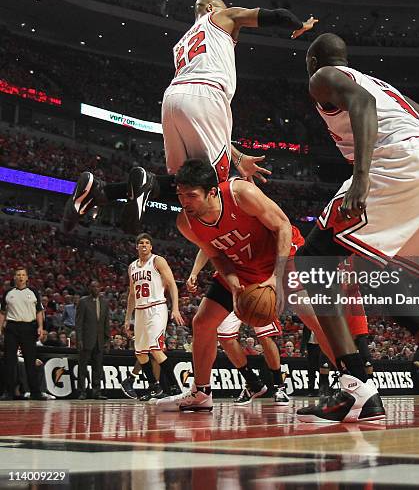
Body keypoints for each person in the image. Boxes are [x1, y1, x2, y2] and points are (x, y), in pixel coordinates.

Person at [291, 33, 419, 423]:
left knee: (312, 262)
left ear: (314, 60)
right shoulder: (382, 85)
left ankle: (356, 387)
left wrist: (362, 176)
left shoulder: (323, 77)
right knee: (371, 273)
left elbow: (362, 105)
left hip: (400, 161)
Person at [63, 0, 317, 235]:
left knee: (185, 182)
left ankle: (101, 191)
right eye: (222, 5)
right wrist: (298, 24)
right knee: (213, 183)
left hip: (173, 98)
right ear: (209, 8)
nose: (227, 9)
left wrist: (237, 157)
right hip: (207, 94)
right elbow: (273, 15)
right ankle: (147, 183)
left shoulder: (182, 42)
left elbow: (198, 119)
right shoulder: (220, 16)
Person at [156, 159, 332, 412]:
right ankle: (201, 392)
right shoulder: (186, 222)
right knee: (203, 322)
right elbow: (217, 256)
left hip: (281, 257)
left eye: (192, 195)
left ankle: (354, 384)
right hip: (242, 267)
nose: (185, 202)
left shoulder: (240, 194)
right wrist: (234, 284)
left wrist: (275, 278)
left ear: (212, 191)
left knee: (314, 317)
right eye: (181, 195)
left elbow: (282, 225)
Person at [187, 252, 289, 405]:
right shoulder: (219, 235)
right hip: (230, 288)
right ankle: (253, 383)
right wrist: (194, 272)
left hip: (258, 283)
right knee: (225, 336)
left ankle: (278, 386)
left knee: (265, 335)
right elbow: (205, 248)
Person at [122, 233, 184, 401]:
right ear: (136, 247)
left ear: (151, 247)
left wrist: (175, 308)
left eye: (147, 243)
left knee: (155, 349)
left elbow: (172, 284)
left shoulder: (158, 261)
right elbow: (132, 295)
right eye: (140, 242)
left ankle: (175, 387)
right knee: (141, 353)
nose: (143, 245)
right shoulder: (132, 267)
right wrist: (128, 318)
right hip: (140, 311)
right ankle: (154, 387)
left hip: (157, 308)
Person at [0, 267, 46, 400]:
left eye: (23, 275)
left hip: (29, 327)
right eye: (18, 275)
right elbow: (2, 312)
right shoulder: (8, 292)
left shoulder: (33, 292)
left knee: (30, 361)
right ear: (14, 277)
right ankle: (9, 392)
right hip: (12, 327)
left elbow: (38, 311)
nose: (20, 277)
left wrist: (40, 327)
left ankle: (35, 392)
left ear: (27, 278)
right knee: (10, 361)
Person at [76, 280, 110, 400]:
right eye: (93, 287)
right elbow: (78, 323)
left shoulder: (105, 302)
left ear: (100, 288)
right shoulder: (83, 301)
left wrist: (107, 340)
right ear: (89, 288)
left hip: (99, 340)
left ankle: (96, 392)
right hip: (86, 340)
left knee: (97, 368)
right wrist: (79, 339)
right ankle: (82, 392)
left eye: (97, 286)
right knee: (82, 367)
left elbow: (106, 323)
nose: (95, 288)